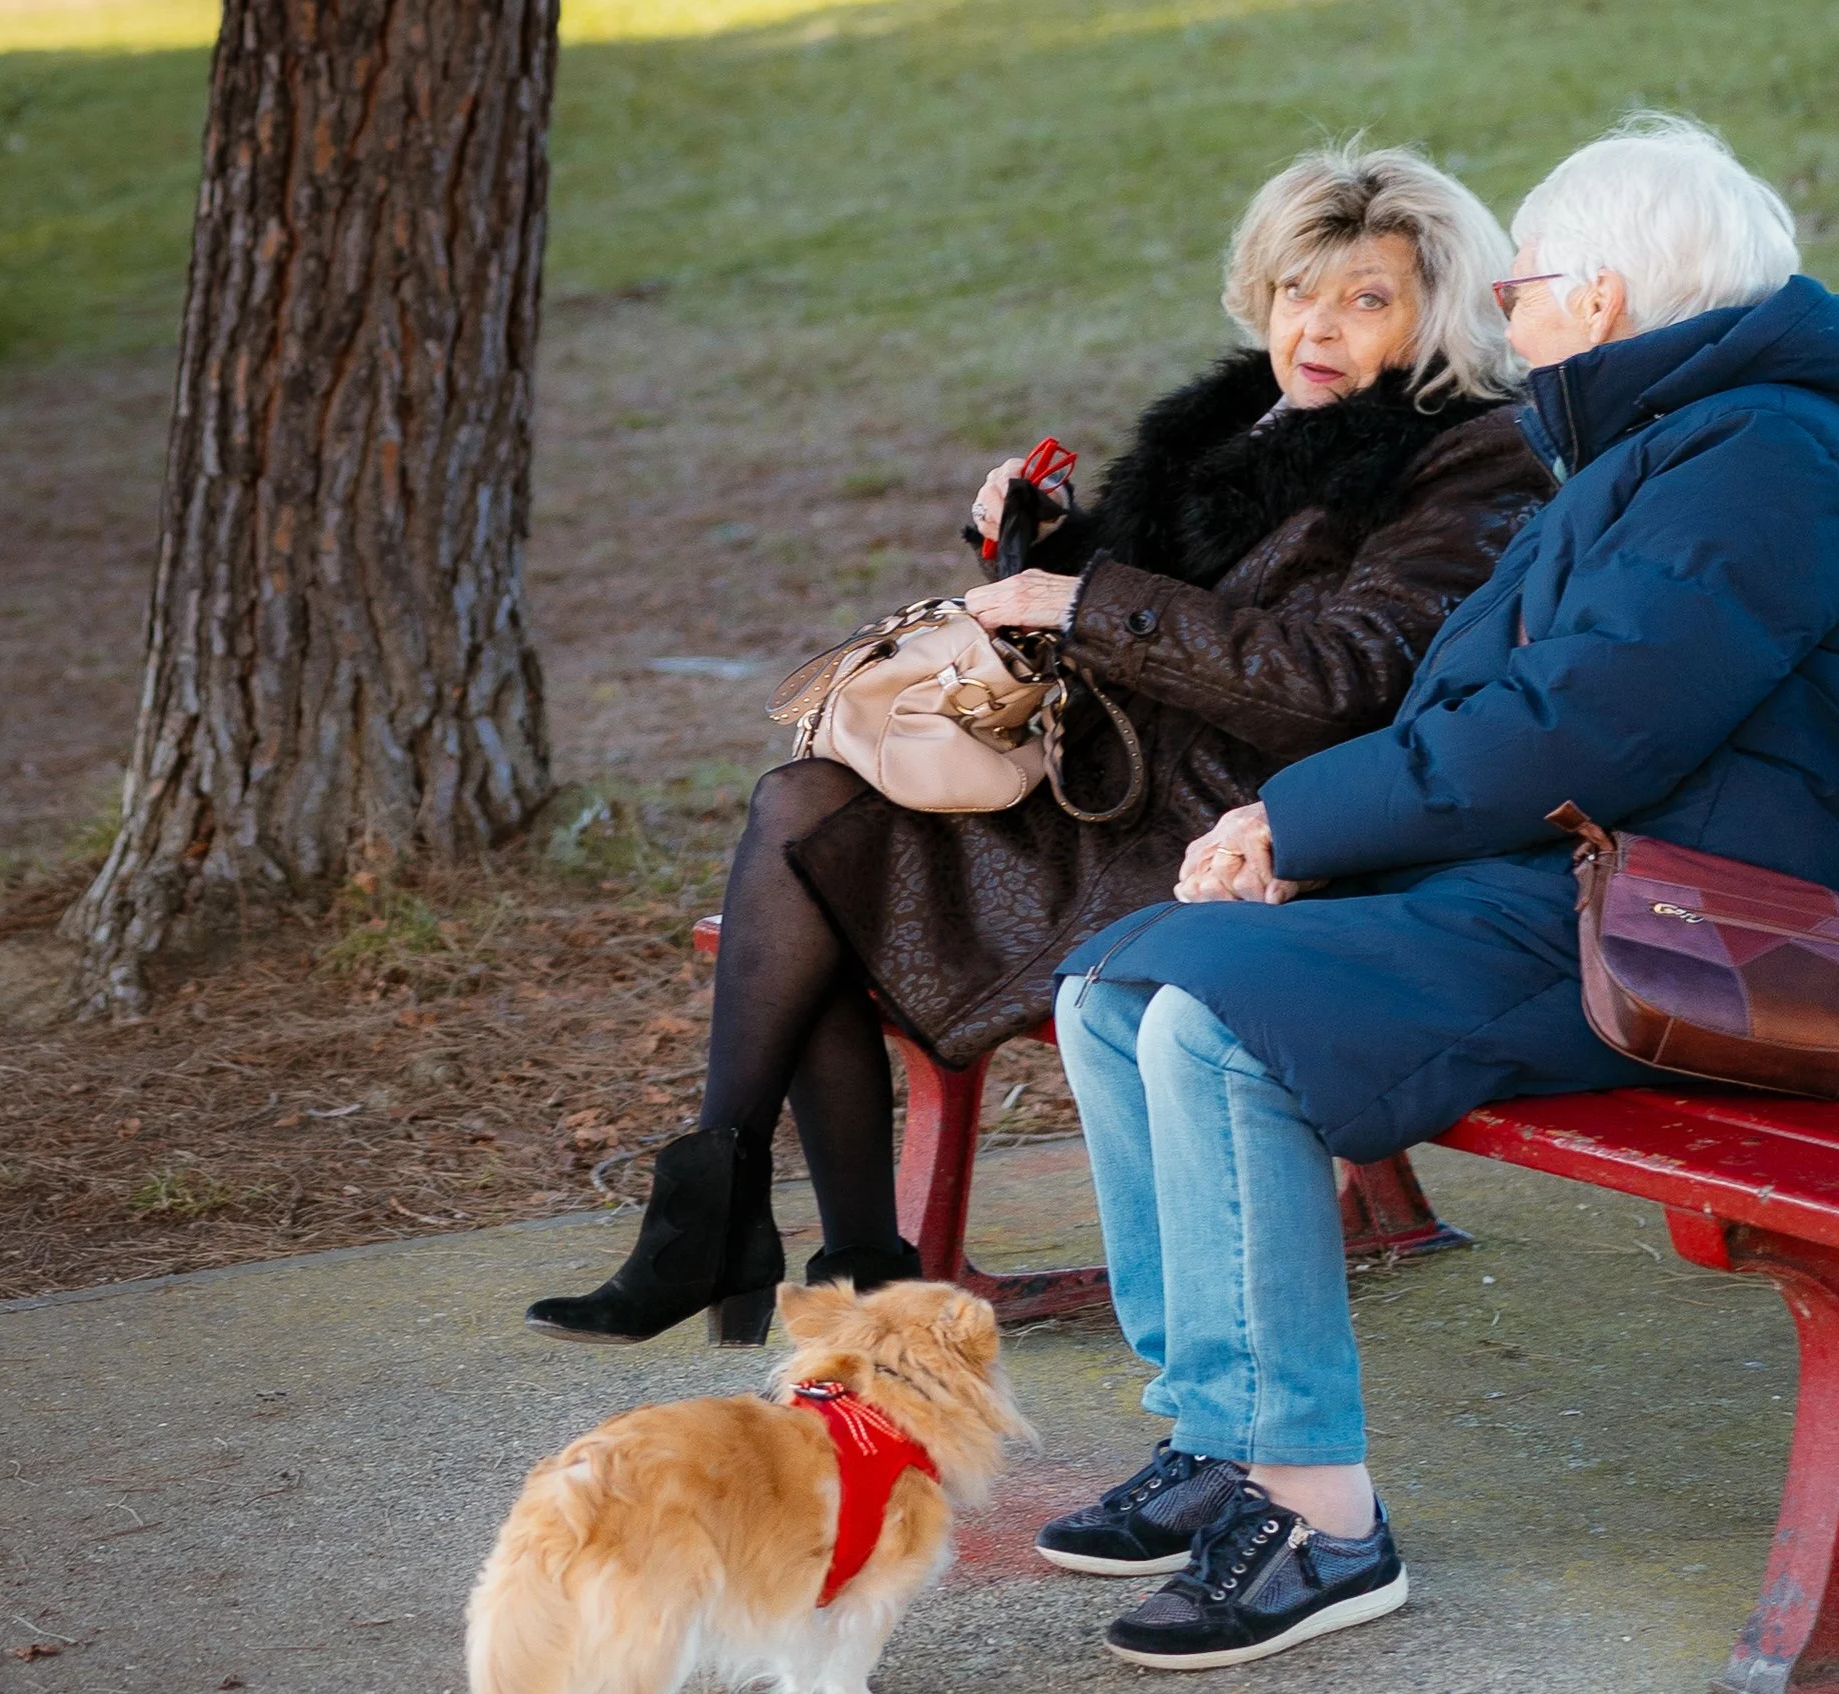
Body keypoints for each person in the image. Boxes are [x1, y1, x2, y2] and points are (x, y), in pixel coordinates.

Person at [1039, 114, 1839, 1669]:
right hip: (1571, 889)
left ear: (1603, 299)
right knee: (1119, 980)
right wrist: (1309, 830)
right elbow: (1495, 703)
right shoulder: (1668, 442)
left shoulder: (1772, 461)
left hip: (1694, 941)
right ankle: (1219, 1433)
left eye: (1522, 282)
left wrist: (1302, 821)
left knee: (1215, 1020)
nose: (1502, 312)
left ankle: (1320, 1517)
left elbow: (1587, 724)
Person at [527, 141, 1554, 1346]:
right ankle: (815, 1245)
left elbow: (1340, 685)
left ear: (1435, 313)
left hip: (1238, 826)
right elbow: (1133, 614)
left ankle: (759, 1241)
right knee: (801, 811)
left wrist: (1090, 598)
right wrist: (1045, 546)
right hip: (1117, 785)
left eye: (1365, 298)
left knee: (814, 858)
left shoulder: (1467, 457)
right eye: (1296, 290)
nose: (1316, 326)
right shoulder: (1246, 423)